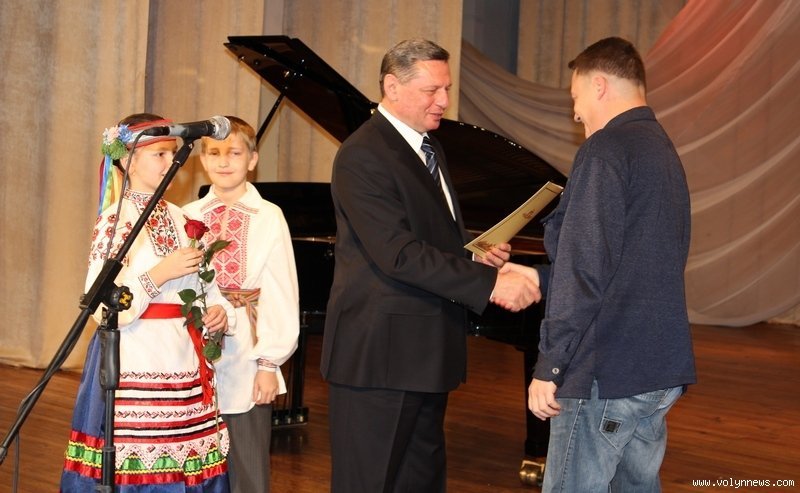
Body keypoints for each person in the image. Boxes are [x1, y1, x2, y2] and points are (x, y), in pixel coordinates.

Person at [320, 38, 541, 493]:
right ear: (392, 87)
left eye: (447, 89)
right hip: (381, 359)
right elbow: (398, 253)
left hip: (422, 353)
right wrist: (489, 283)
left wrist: (472, 252)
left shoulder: (428, 147)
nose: (443, 100)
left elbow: (427, 233)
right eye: (431, 90)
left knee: (420, 481)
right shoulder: (363, 154)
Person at [523, 37, 697, 492]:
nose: (575, 113)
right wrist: (541, 276)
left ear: (599, 85)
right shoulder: (661, 150)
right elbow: (632, 264)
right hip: (655, 370)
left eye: (575, 97)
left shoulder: (605, 150)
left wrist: (550, 366)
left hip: (606, 371)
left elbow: (584, 268)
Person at [61, 113, 235, 492]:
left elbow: (201, 286)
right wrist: (159, 273)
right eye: (159, 154)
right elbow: (103, 308)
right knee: (142, 469)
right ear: (128, 160)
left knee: (187, 458)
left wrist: (215, 311)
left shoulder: (181, 217)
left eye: (172, 153)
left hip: (183, 361)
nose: (171, 162)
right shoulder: (116, 221)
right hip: (136, 360)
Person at [183, 116, 300, 493]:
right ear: (203, 159)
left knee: (247, 463)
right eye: (214, 153)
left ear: (252, 159)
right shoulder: (189, 214)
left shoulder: (269, 217)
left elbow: (281, 293)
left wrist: (269, 364)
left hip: (248, 352)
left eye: (234, 153)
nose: (223, 161)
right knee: (195, 460)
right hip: (195, 350)